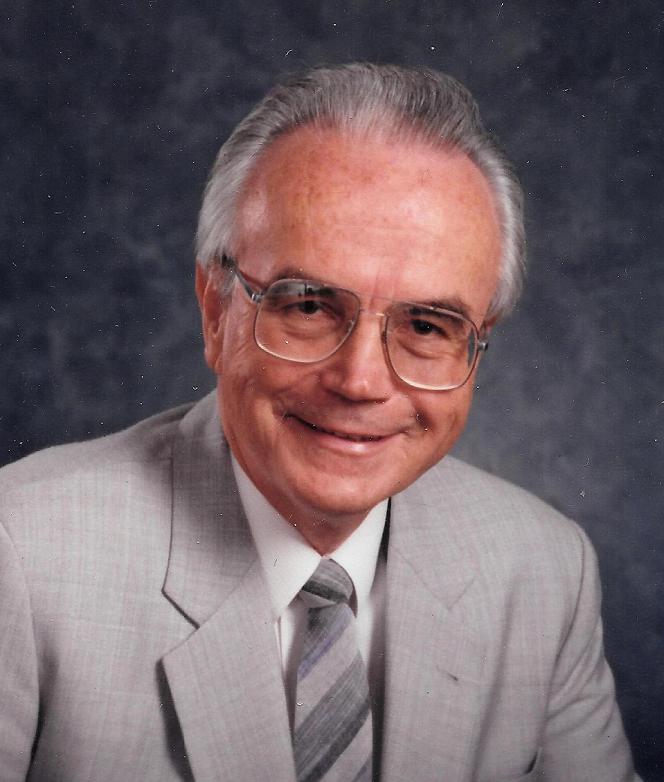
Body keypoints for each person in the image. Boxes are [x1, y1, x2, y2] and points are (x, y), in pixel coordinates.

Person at [0, 63, 639, 782]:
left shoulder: (544, 572)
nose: (360, 381)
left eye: (427, 325)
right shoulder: (20, 558)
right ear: (215, 312)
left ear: (476, 345)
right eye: (308, 306)